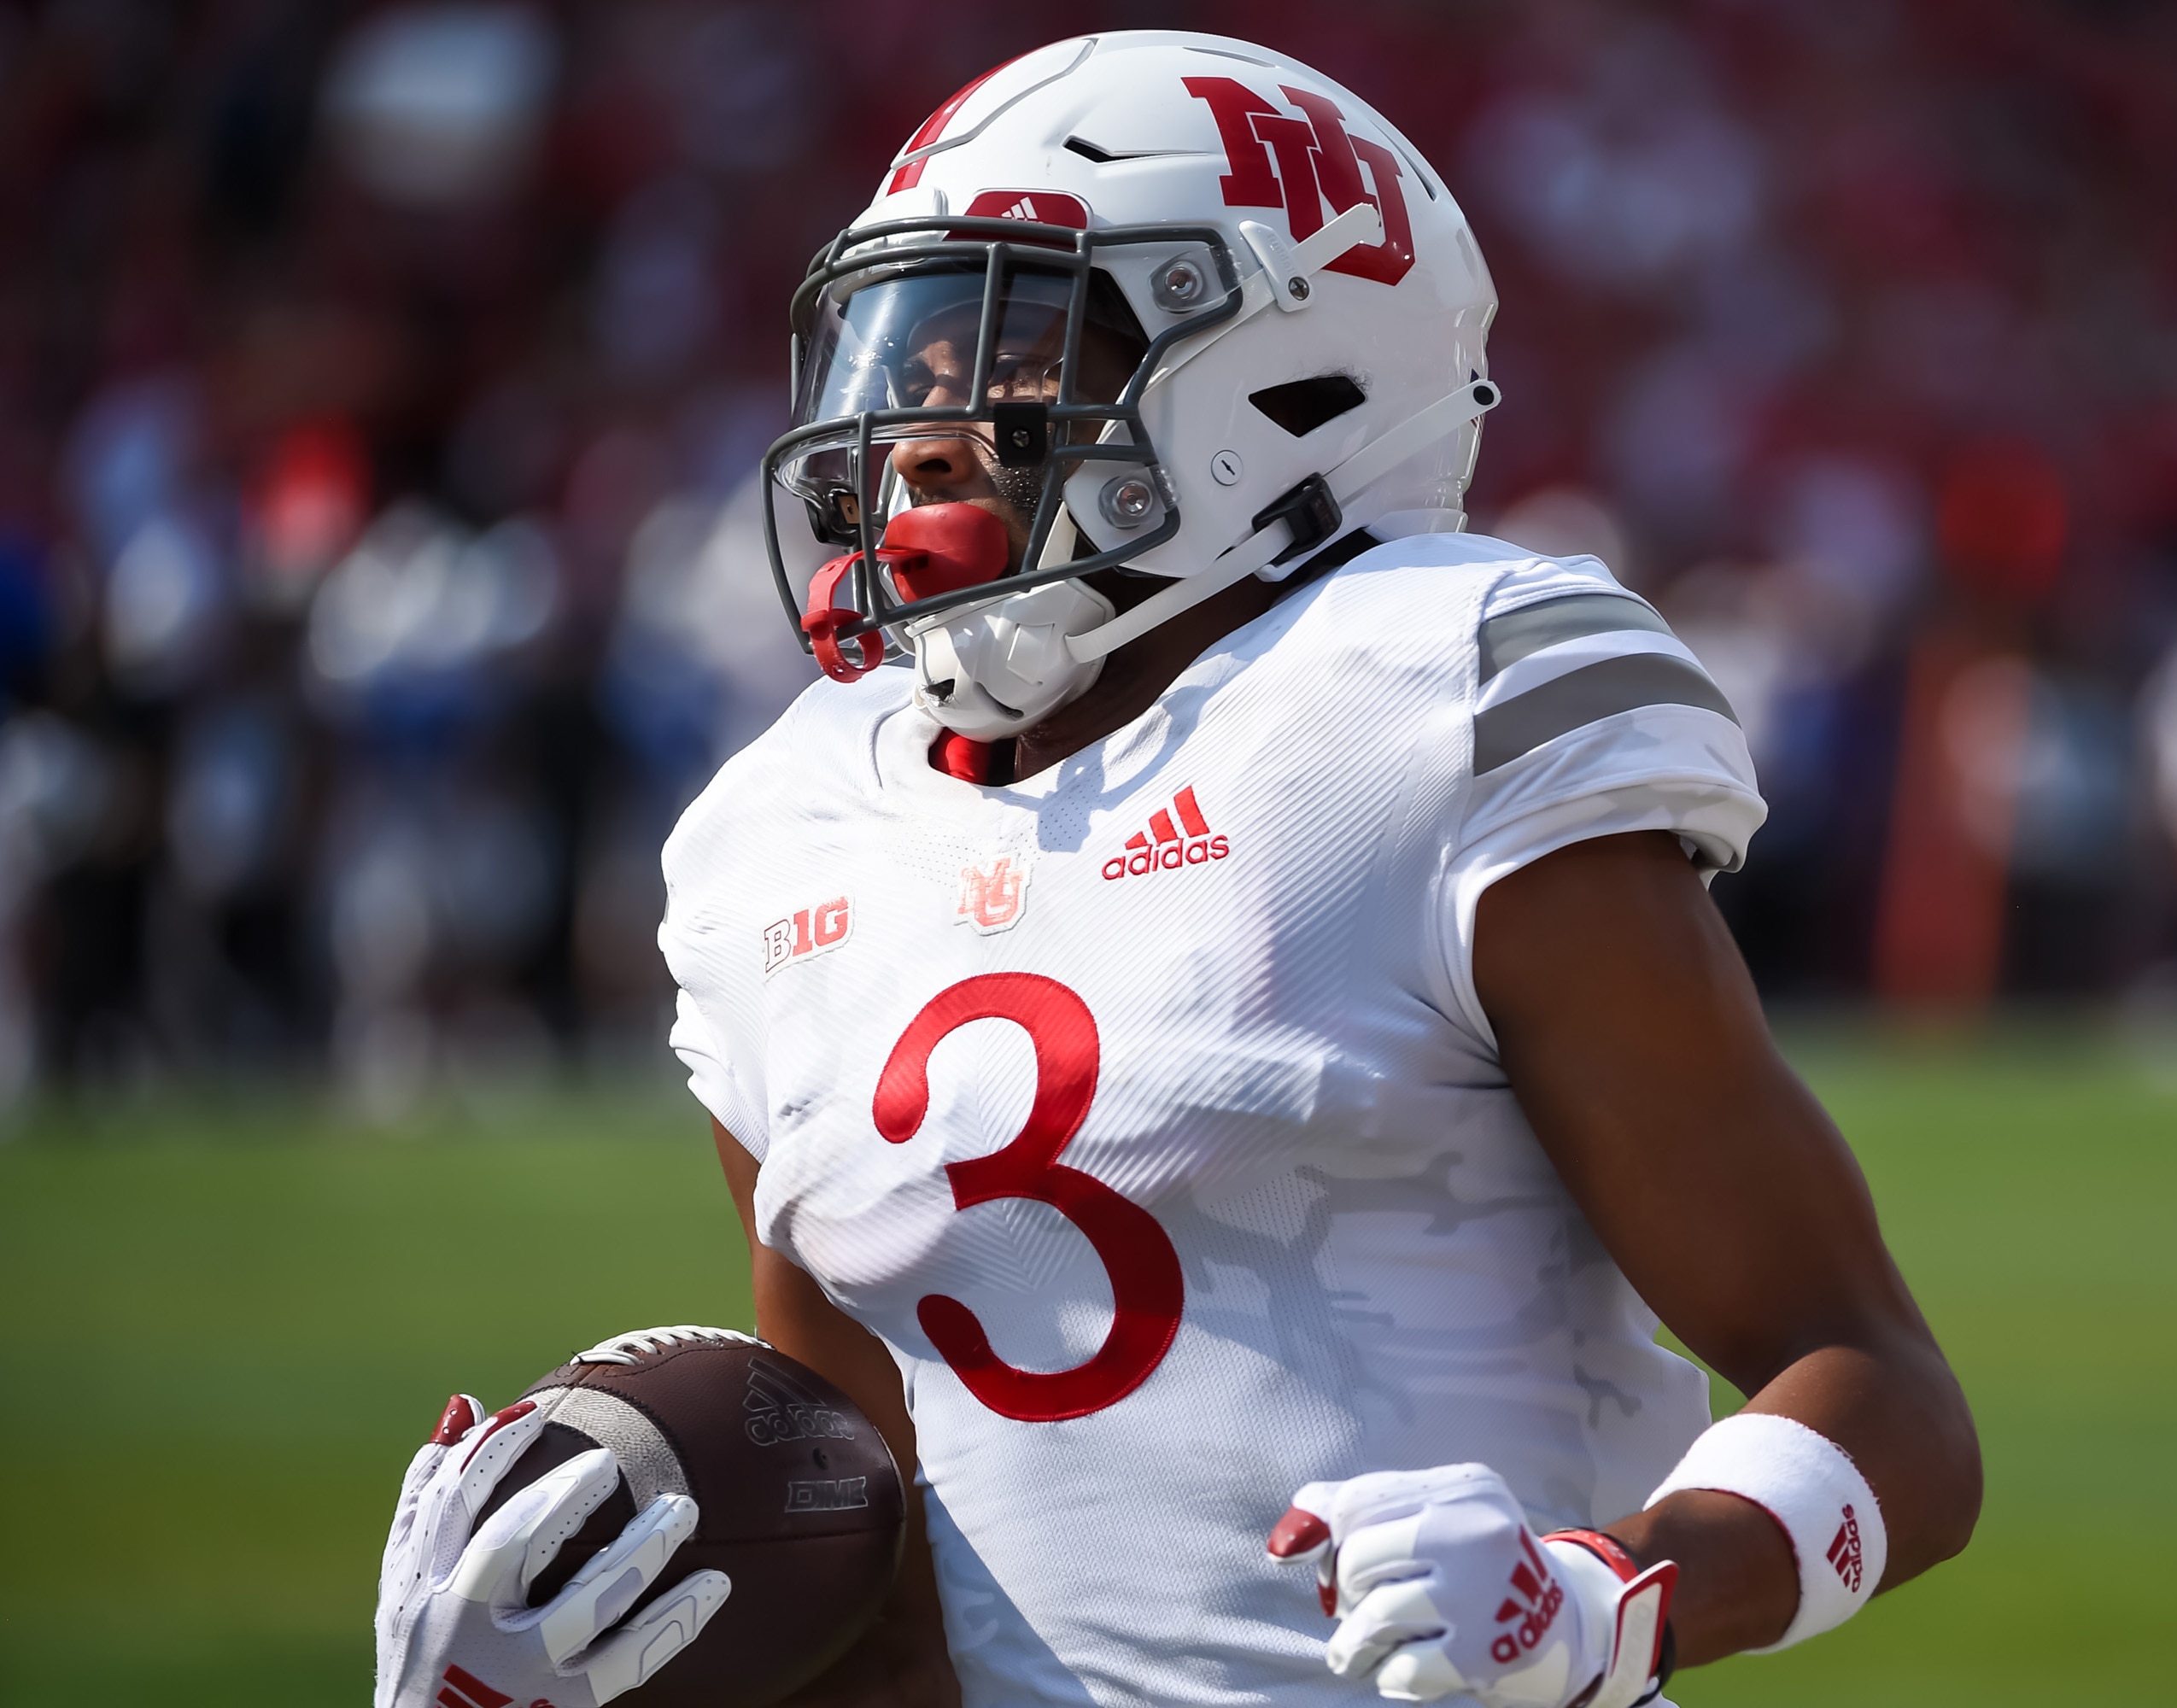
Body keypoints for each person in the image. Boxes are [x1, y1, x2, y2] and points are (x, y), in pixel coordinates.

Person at [373, 31, 1980, 1708]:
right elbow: (886, 1598)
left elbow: (1878, 1390)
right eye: (899, 343)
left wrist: (1612, 1596)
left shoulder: (1434, 698)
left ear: (1287, 378)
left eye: (1007, 334)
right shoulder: (779, 836)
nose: (913, 422)